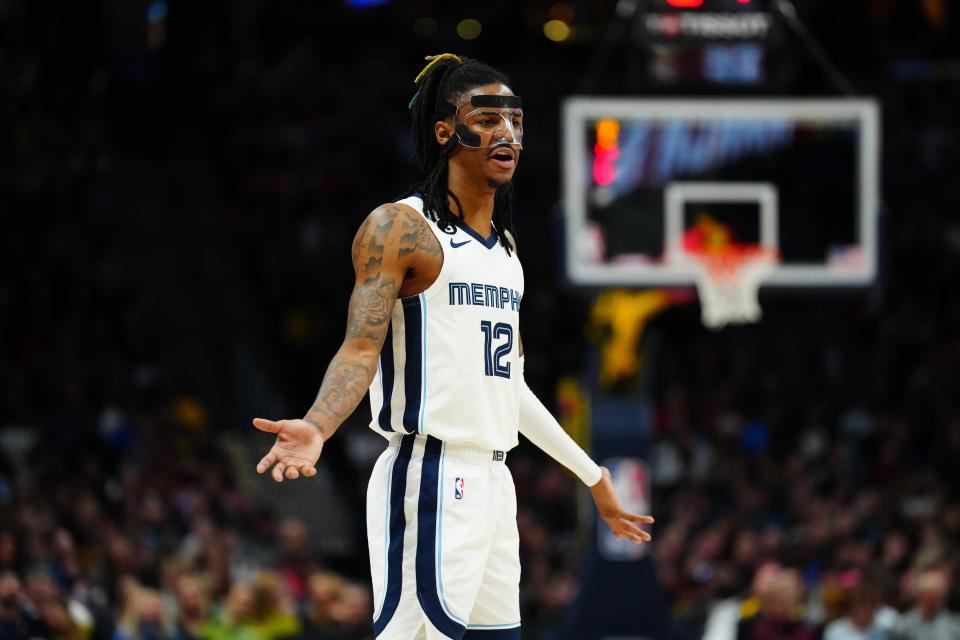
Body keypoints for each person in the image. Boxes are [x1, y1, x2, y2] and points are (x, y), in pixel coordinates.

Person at [251, 53, 654, 640]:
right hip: (430, 474)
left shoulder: (507, 252)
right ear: (446, 131)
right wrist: (318, 424)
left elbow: (508, 389)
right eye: (488, 119)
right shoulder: (400, 228)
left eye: (515, 121)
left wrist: (592, 476)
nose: (507, 133)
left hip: (495, 483)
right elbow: (360, 348)